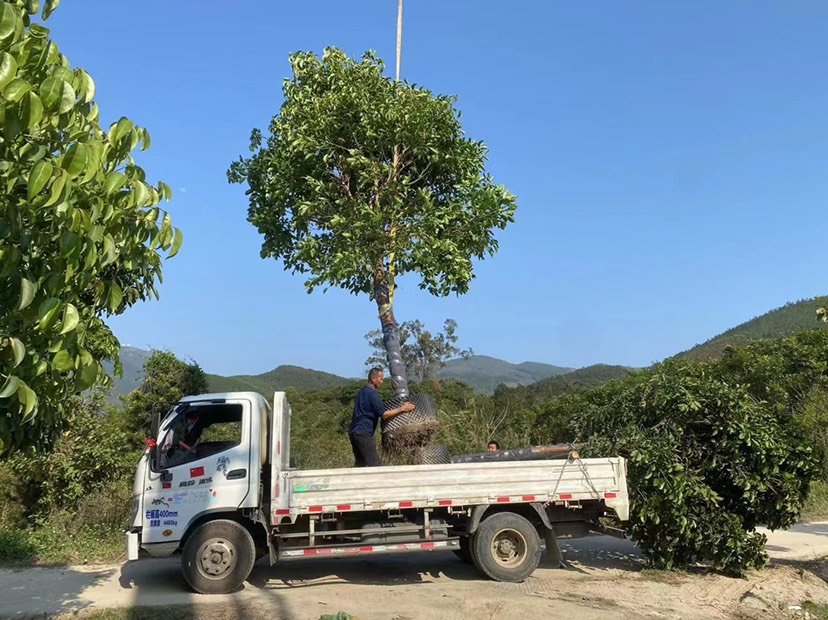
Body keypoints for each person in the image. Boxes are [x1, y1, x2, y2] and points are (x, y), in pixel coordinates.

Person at [349, 367, 415, 467]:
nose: (382, 381)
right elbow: (384, 414)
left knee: (360, 465)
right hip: (364, 433)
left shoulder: (362, 392)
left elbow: (378, 408)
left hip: (354, 433)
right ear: (373, 379)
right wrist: (403, 409)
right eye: (380, 378)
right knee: (375, 465)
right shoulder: (372, 393)